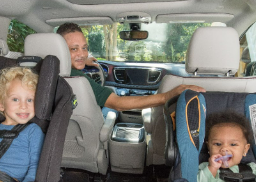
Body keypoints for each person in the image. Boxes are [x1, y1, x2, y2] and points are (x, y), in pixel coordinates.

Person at [56, 23, 206, 114]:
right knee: (110, 111)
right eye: (74, 49)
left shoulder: (46, 73)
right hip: (89, 133)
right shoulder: (80, 80)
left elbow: (75, 58)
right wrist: (166, 96)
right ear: (60, 49)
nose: (82, 53)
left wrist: (80, 60)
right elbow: (118, 104)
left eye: (84, 48)